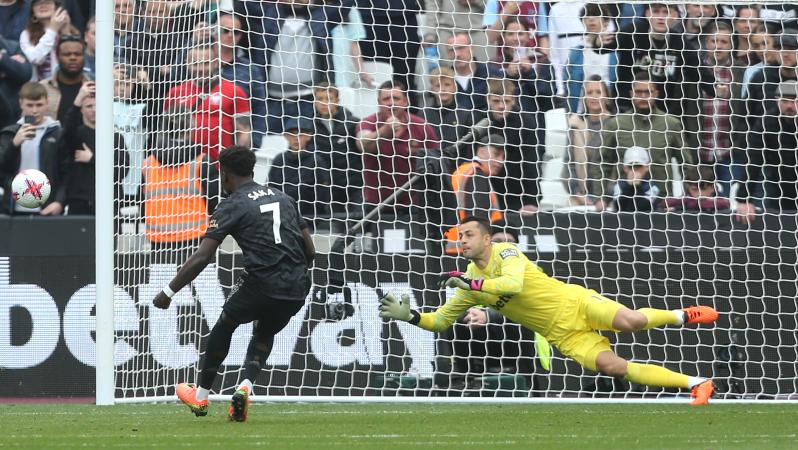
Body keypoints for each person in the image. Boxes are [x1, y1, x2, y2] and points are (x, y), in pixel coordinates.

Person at [379, 216, 719, 405]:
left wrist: (474, 287)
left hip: (574, 303)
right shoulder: (466, 282)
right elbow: (439, 322)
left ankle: (682, 315)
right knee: (613, 366)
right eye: (459, 237)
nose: (463, 240)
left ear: (487, 240)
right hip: (562, 333)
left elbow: (512, 285)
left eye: (469, 234)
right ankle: (698, 383)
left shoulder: (506, 251)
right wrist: (409, 316)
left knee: (631, 321)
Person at [153, 145, 316, 422]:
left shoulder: (232, 204)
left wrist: (168, 291)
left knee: (225, 324)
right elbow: (310, 251)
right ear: (252, 170)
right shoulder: (284, 198)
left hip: (261, 282)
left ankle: (201, 397)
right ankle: (244, 388)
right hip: (297, 286)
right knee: (265, 332)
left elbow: (203, 256)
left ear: (224, 173)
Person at [600, 71, 693, 202]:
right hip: (625, 202)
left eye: (648, 92)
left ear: (656, 94)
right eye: (638, 92)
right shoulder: (616, 125)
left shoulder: (671, 124)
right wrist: (600, 198)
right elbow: (603, 163)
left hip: (663, 203)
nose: (643, 97)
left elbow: (686, 164)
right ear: (631, 94)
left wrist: (687, 198)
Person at [356, 80, 439, 212]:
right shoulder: (367, 123)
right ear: (379, 102)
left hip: (415, 205)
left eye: (396, 98)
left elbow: (437, 161)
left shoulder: (422, 127)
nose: (391, 103)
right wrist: (384, 132)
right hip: (376, 205)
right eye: (386, 99)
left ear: (405, 101)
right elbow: (363, 143)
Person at [164, 44, 250, 161]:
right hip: (183, 166)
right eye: (195, 64)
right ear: (187, 64)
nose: (200, 68)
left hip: (220, 165)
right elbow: (166, 132)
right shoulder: (175, 92)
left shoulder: (234, 91)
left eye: (205, 63)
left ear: (215, 63)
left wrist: (237, 164)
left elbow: (244, 131)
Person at [60, 80, 128, 215]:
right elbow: (68, 128)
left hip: (108, 202)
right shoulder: (76, 135)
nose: (94, 109)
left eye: (97, 105)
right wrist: (79, 98)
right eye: (89, 106)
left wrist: (92, 159)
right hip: (80, 201)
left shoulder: (115, 138)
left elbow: (121, 171)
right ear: (82, 110)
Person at [0, 81, 65, 215]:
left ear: (47, 103)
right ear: (21, 104)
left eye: (39, 105)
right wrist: (14, 144)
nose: (34, 110)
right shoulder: (10, 133)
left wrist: (59, 201)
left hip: (47, 207)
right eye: (30, 105)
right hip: (14, 208)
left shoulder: (57, 133)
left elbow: (67, 172)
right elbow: (3, 168)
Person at [310, 82, 361, 211]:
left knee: (358, 223)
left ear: (337, 101)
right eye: (320, 99)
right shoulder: (310, 126)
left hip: (354, 185)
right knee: (336, 226)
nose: (323, 103)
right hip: (329, 186)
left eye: (328, 99)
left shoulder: (352, 123)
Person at [268, 117, 331, 219]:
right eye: (292, 134)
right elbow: (271, 188)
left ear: (309, 136)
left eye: (301, 134)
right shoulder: (279, 160)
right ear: (286, 136)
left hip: (310, 217)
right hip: (283, 216)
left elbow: (323, 194)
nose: (296, 138)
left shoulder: (317, 161)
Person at [566, 75, 614, 210]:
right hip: (580, 198)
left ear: (607, 97)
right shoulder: (575, 124)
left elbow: (619, 167)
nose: (594, 96)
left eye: (598, 92)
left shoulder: (616, 125)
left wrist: (605, 197)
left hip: (610, 199)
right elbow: (568, 164)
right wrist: (576, 192)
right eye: (590, 92)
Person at [19, 0, 72, 81]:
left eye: (47, 2)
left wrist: (66, 33)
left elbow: (73, 58)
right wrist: (52, 30)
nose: (43, 5)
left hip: (66, 83)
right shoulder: (26, 34)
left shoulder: (70, 30)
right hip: (38, 88)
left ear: (56, 7)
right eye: (38, 3)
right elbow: (36, 59)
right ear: (32, 11)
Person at [41, 34, 91, 121]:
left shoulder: (94, 88)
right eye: (67, 54)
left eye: (77, 54)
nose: (73, 58)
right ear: (57, 57)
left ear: (84, 57)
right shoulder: (42, 88)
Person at [663, 165, 730, 213]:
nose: (699, 194)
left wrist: (683, 206)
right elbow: (665, 203)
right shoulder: (686, 200)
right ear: (688, 188)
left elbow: (724, 203)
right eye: (694, 189)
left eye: (703, 189)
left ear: (713, 188)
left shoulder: (721, 200)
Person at [611, 146, 659, 213]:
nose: (634, 169)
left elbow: (644, 207)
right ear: (625, 168)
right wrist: (629, 186)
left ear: (647, 167)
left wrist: (636, 186)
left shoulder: (652, 186)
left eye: (638, 166)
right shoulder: (619, 186)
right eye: (631, 166)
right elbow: (619, 207)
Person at [0, 35, 33, 128]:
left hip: (12, 117)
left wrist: (2, 58)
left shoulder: (12, 46)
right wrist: (9, 64)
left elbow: (25, 73)